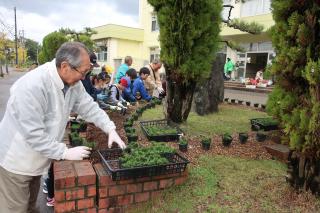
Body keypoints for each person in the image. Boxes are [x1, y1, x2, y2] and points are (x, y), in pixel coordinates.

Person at [0, 41, 125, 213]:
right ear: (65, 66)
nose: (84, 77)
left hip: (36, 161)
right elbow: (34, 134)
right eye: (83, 72)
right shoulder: (32, 86)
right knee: (15, 209)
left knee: (29, 206)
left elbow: (89, 107)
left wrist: (109, 128)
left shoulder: (73, 83)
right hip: (16, 161)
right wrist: (64, 152)